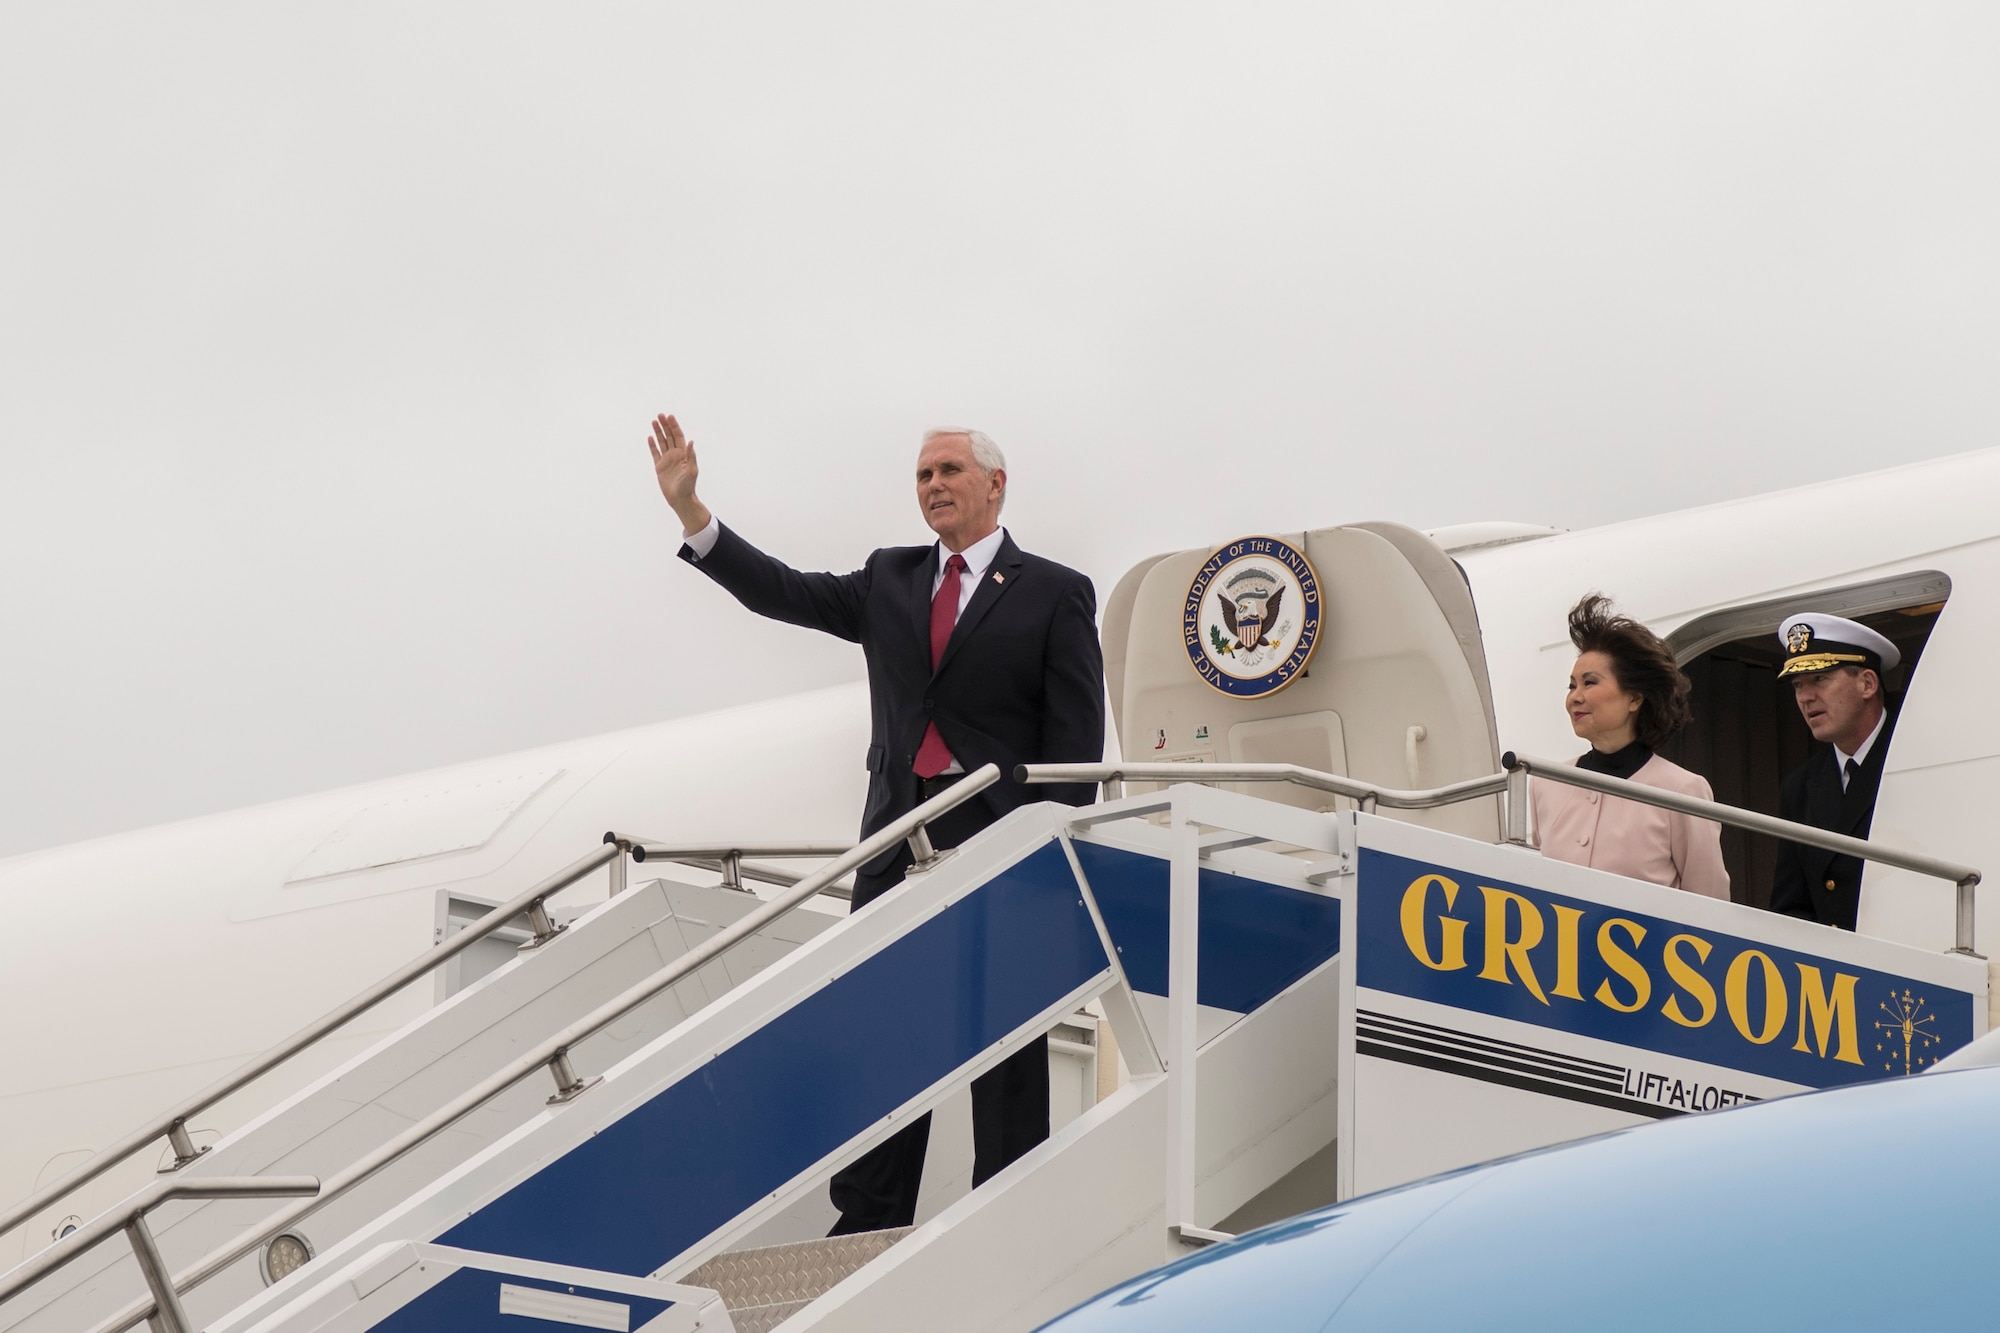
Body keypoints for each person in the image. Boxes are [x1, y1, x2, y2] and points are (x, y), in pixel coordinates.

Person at [645, 412, 1105, 1235]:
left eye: (950, 471)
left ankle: (1004, 1213)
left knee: (1003, 1044)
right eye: (923, 474)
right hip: (898, 843)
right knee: (884, 1040)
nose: (933, 485)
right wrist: (693, 514)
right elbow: (782, 589)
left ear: (995, 485)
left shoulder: (1053, 592)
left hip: (998, 841)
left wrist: (1050, 858)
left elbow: (1077, 747)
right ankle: (866, 1221)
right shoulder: (889, 578)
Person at [1532, 594, 1729, 899]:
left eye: (1590, 683)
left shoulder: (1683, 791)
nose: (1575, 697)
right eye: (1572, 685)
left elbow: (1711, 902)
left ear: (1635, 699)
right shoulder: (1545, 783)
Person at [1768, 613, 1900, 931]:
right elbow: (1791, 907)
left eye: (1820, 679)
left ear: (1867, 683)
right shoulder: (1800, 787)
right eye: (1798, 685)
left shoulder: (1914, 756)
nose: (1805, 696)